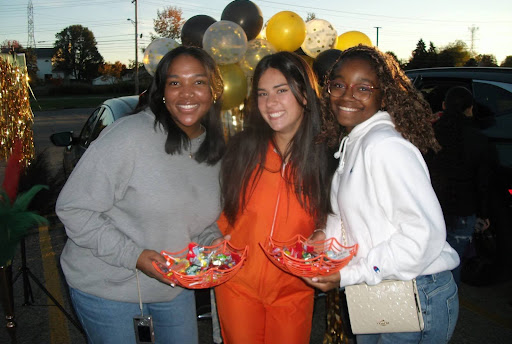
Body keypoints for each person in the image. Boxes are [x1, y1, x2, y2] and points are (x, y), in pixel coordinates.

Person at [55, 46, 226, 344]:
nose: (187, 94)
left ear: (214, 91)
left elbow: (197, 221)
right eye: (175, 83)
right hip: (107, 287)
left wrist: (212, 244)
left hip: (172, 287)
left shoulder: (215, 149)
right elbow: (74, 209)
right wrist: (133, 256)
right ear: (161, 91)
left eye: (198, 82)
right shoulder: (128, 136)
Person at [304, 45, 460, 344]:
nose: (347, 95)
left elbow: (423, 235)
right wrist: (325, 237)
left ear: (384, 95)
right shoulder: (355, 141)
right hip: (375, 287)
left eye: (363, 87)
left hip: (414, 291)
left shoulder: (385, 146)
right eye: (338, 84)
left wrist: (348, 274)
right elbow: (349, 215)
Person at [215, 52, 334, 344]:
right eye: (263, 94)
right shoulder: (242, 149)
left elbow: (339, 216)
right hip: (237, 287)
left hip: (294, 290)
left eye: (282, 90)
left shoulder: (327, 155)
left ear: (304, 94)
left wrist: (323, 232)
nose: (271, 104)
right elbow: (222, 213)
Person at [425, 86, 494, 285]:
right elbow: (483, 182)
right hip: (463, 210)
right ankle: (448, 302)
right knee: (453, 264)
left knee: (428, 260)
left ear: (444, 106)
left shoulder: (431, 134)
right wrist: (484, 213)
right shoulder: (479, 140)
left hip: (433, 208)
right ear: (470, 109)